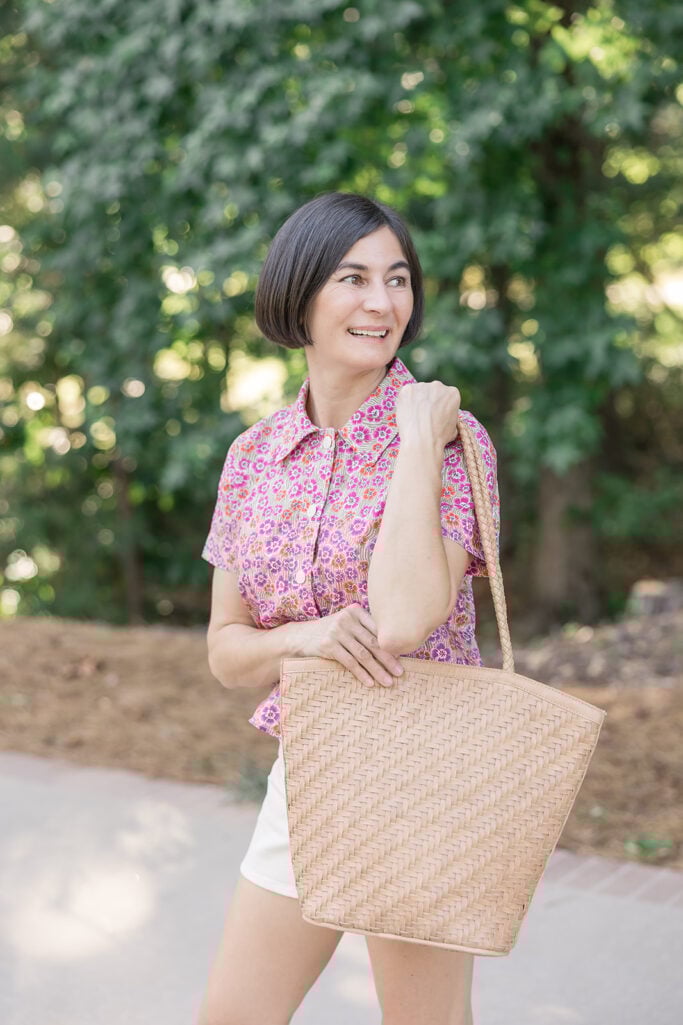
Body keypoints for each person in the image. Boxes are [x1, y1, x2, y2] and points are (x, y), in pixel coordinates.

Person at [197, 192, 499, 1025]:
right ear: (299, 295)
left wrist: (413, 442)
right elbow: (226, 652)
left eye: (397, 279)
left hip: (422, 770)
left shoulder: (450, 437)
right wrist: (311, 635)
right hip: (311, 768)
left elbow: (403, 617)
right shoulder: (253, 456)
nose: (382, 302)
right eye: (353, 277)